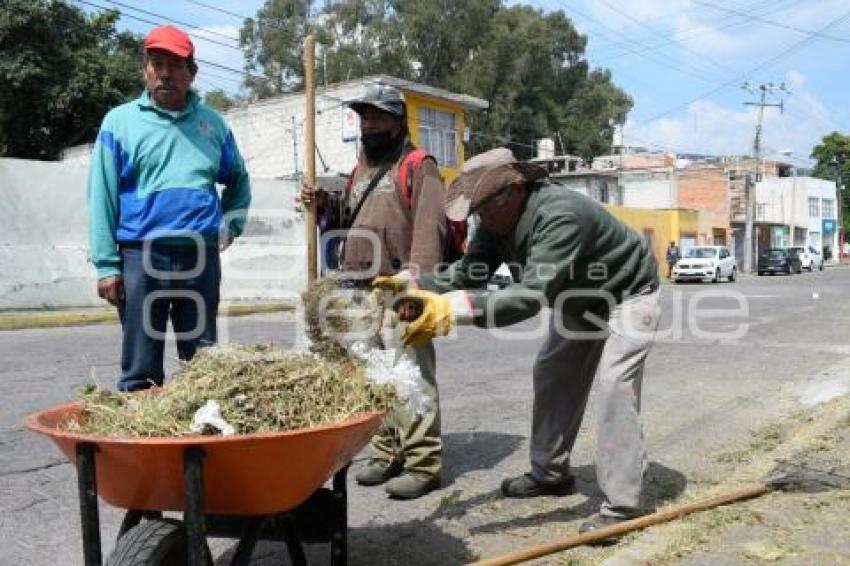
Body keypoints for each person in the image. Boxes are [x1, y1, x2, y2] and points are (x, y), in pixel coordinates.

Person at [375, 147, 661, 532]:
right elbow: (469, 273)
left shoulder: (560, 215)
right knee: (552, 375)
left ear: (515, 190)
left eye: (483, 207)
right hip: (579, 299)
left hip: (628, 294)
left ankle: (623, 508)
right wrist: (415, 285)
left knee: (614, 387)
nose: (480, 218)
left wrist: (450, 311)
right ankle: (551, 475)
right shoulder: (494, 222)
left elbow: (529, 296)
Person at [301, 84, 447, 499]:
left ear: (398, 120)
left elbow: (429, 228)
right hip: (359, 288)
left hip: (399, 288)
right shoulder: (360, 169)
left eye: (378, 117)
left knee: (413, 377)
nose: (369, 124)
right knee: (376, 379)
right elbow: (345, 218)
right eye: (364, 117)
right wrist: (322, 203)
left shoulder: (419, 165)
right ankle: (387, 452)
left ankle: (423, 461)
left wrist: (415, 290)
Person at [88, 25, 251, 392]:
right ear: (145, 70)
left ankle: (202, 437)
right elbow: (101, 195)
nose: (165, 73)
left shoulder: (214, 125)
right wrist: (106, 264)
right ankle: (146, 444)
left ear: (191, 73)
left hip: (200, 257)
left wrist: (230, 225)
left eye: (175, 66)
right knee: (141, 366)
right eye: (157, 64)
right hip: (142, 257)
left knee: (204, 364)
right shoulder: (120, 123)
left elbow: (239, 180)